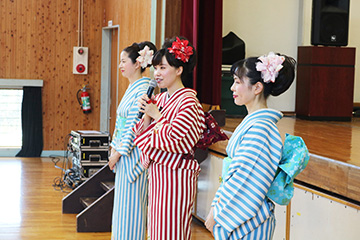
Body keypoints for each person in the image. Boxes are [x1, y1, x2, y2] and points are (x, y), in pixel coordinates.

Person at [205, 52, 296, 239]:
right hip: (245, 217)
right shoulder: (255, 124)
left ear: (257, 87)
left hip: (251, 222)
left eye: (238, 82)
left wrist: (218, 212)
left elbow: (244, 180)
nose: (232, 87)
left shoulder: (261, 129)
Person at [133, 36, 206, 240]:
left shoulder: (189, 101)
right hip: (158, 174)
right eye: (156, 68)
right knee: (157, 231)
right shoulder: (161, 98)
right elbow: (143, 135)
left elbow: (179, 140)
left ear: (179, 69)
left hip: (176, 176)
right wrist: (147, 114)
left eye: (163, 68)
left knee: (171, 232)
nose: (157, 73)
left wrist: (157, 115)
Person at [109, 41, 157, 240]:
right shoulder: (133, 87)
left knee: (132, 207)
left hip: (132, 153)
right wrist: (114, 148)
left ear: (137, 63)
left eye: (123, 61)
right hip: (122, 152)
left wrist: (119, 152)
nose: (120, 65)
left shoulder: (144, 88)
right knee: (122, 207)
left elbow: (133, 124)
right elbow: (121, 122)